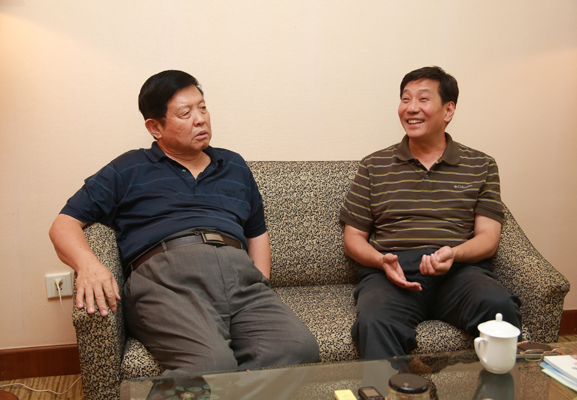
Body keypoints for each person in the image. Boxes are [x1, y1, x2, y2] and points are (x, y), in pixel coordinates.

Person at [49, 70, 319, 375]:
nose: (200, 119)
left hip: (240, 278)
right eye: (185, 113)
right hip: (166, 281)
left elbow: (256, 233)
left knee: (298, 349)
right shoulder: (129, 168)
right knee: (211, 365)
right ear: (155, 127)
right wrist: (88, 265)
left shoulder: (234, 165)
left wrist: (260, 282)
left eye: (202, 108)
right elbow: (63, 224)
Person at [340, 66, 522, 359]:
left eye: (423, 99)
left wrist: (454, 254)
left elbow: (488, 238)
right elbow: (353, 238)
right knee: (374, 321)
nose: (411, 108)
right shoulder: (373, 165)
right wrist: (380, 260)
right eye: (405, 99)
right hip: (393, 274)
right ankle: (396, 385)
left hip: (459, 272)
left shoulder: (481, 165)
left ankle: (493, 384)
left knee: (498, 305)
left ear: (448, 110)